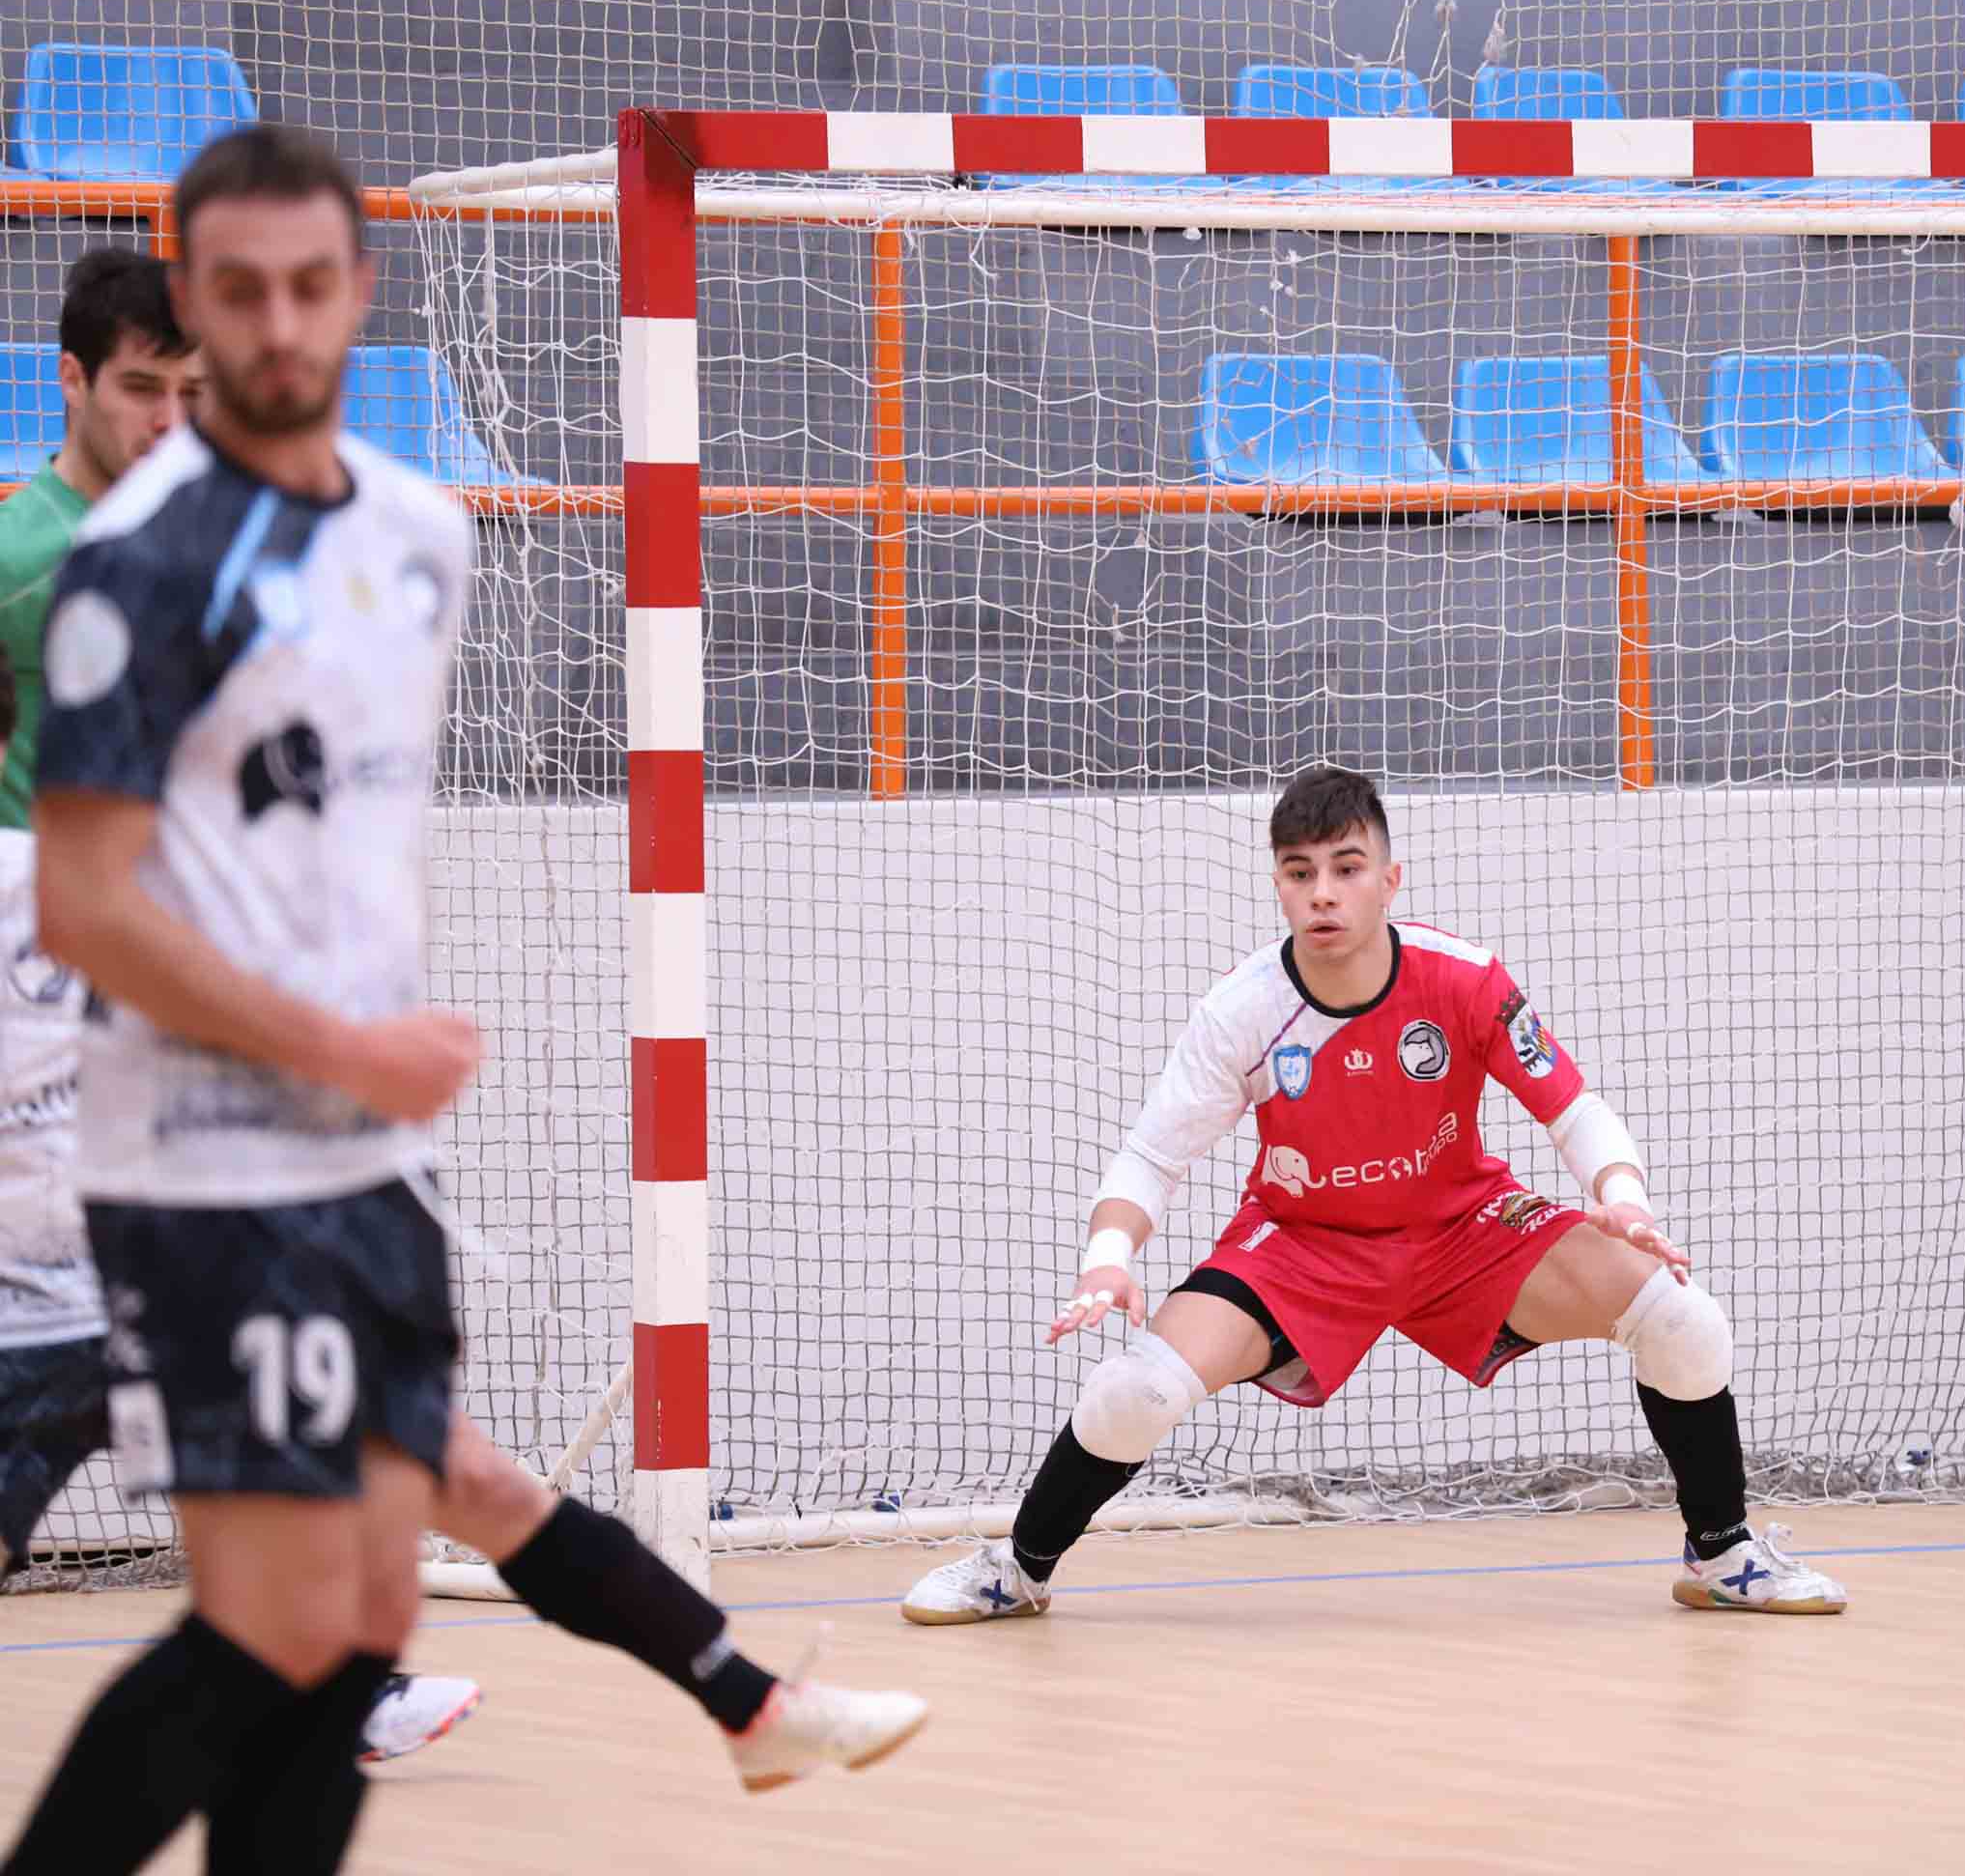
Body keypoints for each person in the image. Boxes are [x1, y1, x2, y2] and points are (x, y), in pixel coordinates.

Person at [1, 129, 921, 1876]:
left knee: (359, 1624)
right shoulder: (126, 569)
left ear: (360, 292)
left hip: (364, 1171)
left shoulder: (424, 539)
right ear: (193, 306)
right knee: (279, 1626)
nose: (278, 322)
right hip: (198, 1170)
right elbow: (86, 902)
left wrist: (371, 1062)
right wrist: (342, 1047)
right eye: (240, 290)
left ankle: (744, 1709)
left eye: (312, 284)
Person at [903, 763, 1847, 1627]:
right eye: (1299, 870)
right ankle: (1018, 1568)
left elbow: (1574, 1106)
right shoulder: (1242, 1010)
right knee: (1134, 1387)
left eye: (1346, 867)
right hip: (1304, 1245)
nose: (1322, 891)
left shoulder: (1463, 977)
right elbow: (1151, 1158)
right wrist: (1108, 1262)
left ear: (1389, 878)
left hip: (1465, 1229)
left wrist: (1623, 1197)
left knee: (1681, 1317)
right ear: (1278, 882)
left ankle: (1721, 1550)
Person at [0, 246, 481, 1765]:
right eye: (139, 390)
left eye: (185, 392)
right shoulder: (57, 562)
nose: (166, 418)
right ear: (67, 384)